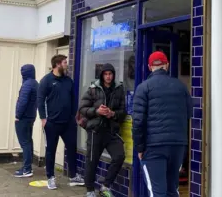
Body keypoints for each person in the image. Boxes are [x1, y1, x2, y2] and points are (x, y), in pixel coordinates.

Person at [132, 51, 192, 197]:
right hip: (177, 146)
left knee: (157, 192)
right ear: (167, 65)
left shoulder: (143, 88)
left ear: (149, 66)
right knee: (173, 190)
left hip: (153, 147)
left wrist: (139, 147)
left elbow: (138, 122)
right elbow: (189, 114)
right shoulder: (181, 86)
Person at [79, 63, 127, 197]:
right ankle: (89, 190)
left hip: (112, 131)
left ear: (113, 75)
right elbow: (82, 108)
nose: (108, 77)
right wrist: (97, 111)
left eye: (110, 74)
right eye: (106, 74)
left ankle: (105, 186)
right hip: (96, 130)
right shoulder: (93, 89)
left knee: (119, 156)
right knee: (92, 160)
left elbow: (123, 111)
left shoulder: (119, 89)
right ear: (102, 75)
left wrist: (113, 114)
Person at [37, 54, 84, 190]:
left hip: (68, 122)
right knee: (51, 150)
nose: (66, 65)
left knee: (71, 148)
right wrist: (43, 119)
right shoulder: (46, 80)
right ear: (57, 64)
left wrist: (75, 115)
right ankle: (50, 177)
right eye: (64, 62)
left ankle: (73, 176)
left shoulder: (68, 81)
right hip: (51, 123)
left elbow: (73, 99)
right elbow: (40, 100)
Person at [14, 64, 39, 178]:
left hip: (23, 117)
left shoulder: (27, 85)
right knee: (28, 141)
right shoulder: (35, 83)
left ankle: (26, 169)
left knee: (25, 143)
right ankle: (27, 167)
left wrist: (17, 115)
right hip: (31, 116)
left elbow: (22, 101)